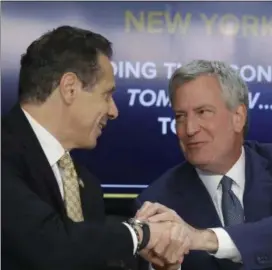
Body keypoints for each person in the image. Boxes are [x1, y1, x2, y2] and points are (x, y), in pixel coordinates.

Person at [1, 26, 189, 270]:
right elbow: (50, 244)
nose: (113, 111)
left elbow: (90, 257)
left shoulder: (85, 184)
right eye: (106, 95)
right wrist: (140, 234)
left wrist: (157, 263)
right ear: (70, 88)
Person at [135, 60, 272, 270]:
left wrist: (202, 238)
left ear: (238, 117)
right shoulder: (157, 203)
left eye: (202, 112)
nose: (190, 129)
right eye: (180, 116)